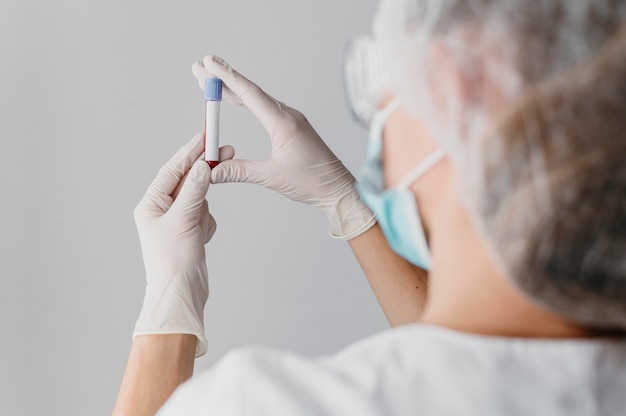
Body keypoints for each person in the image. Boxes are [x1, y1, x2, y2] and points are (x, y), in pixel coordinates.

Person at [112, 0, 626, 414]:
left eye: (383, 90)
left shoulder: (267, 404)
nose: (378, 121)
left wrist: (169, 301)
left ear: (453, 87)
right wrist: (345, 203)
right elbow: (465, 360)